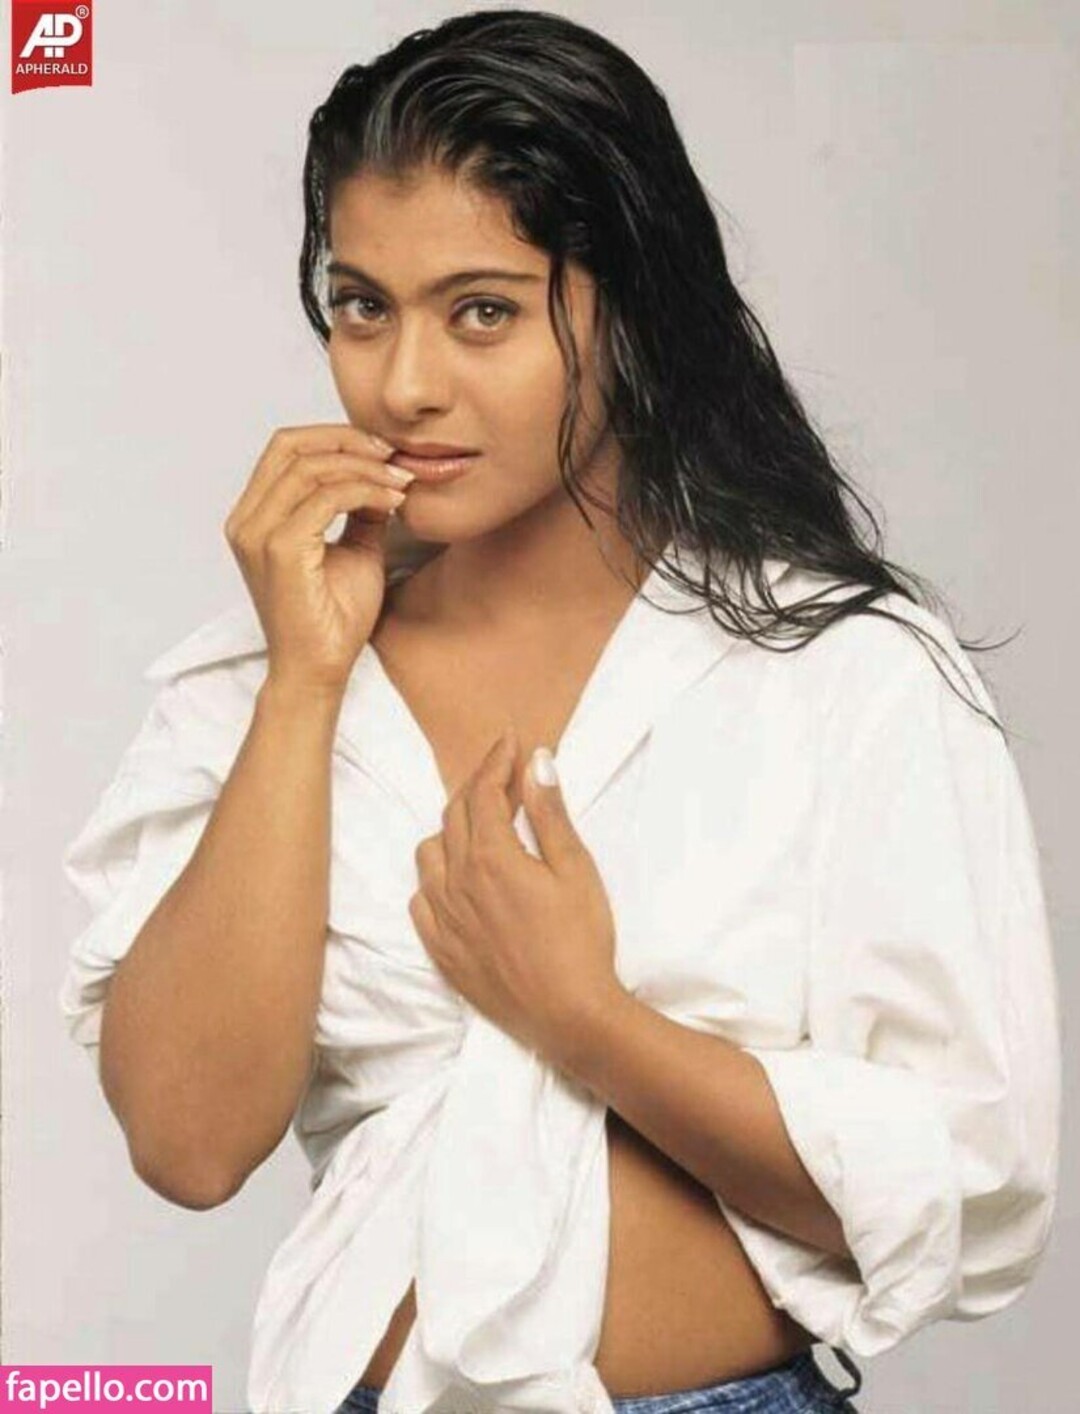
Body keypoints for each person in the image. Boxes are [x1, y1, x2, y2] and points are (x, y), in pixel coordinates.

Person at [58, 10, 1061, 1414]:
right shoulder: (267, 670)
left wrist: (583, 1018)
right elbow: (186, 1143)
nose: (404, 385)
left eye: (483, 310)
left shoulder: (846, 670)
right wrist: (303, 683)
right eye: (363, 306)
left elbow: (968, 1178)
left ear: (632, 314)